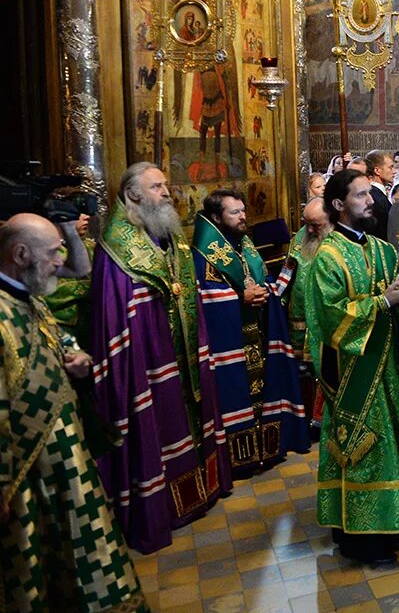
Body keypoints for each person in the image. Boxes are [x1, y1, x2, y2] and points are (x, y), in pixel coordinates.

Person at [1, 213, 149, 611]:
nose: (59, 261)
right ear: (20, 254)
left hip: (64, 461)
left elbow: (58, 338)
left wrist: (77, 357)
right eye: (53, 253)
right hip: (26, 478)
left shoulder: (28, 295)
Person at [90, 163, 231, 553]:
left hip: (180, 351)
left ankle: (202, 492)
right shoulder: (117, 252)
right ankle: (162, 508)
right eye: (156, 186)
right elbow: (117, 317)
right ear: (133, 194)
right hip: (147, 362)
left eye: (166, 184)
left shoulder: (172, 238)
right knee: (160, 424)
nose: (167, 192)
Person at [303, 169, 399, 565]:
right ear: (339, 205)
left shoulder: (382, 249)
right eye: (360, 196)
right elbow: (331, 316)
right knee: (362, 448)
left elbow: (394, 302)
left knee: (390, 443)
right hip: (352, 372)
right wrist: (384, 303)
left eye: (370, 194)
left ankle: (398, 524)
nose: (370, 201)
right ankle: (363, 538)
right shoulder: (327, 256)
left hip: (383, 368)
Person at [192, 190, 306, 476]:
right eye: (235, 212)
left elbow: (263, 278)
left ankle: (265, 448)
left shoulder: (245, 244)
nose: (243, 216)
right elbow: (203, 297)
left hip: (256, 329)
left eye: (243, 210)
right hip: (230, 338)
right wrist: (240, 298)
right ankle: (240, 458)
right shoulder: (203, 252)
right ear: (216, 217)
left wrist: (263, 291)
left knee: (263, 389)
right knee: (236, 391)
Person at [276, 198, 333, 435]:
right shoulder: (299, 238)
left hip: (327, 322)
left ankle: (327, 420)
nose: (309, 230)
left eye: (315, 225)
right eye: (306, 224)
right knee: (303, 372)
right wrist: (275, 301)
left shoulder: (342, 241)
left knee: (327, 370)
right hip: (299, 319)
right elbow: (287, 272)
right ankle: (306, 419)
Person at [363, 150, 395, 241]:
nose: (394, 172)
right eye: (390, 167)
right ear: (377, 170)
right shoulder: (374, 196)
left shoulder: (377, 194)